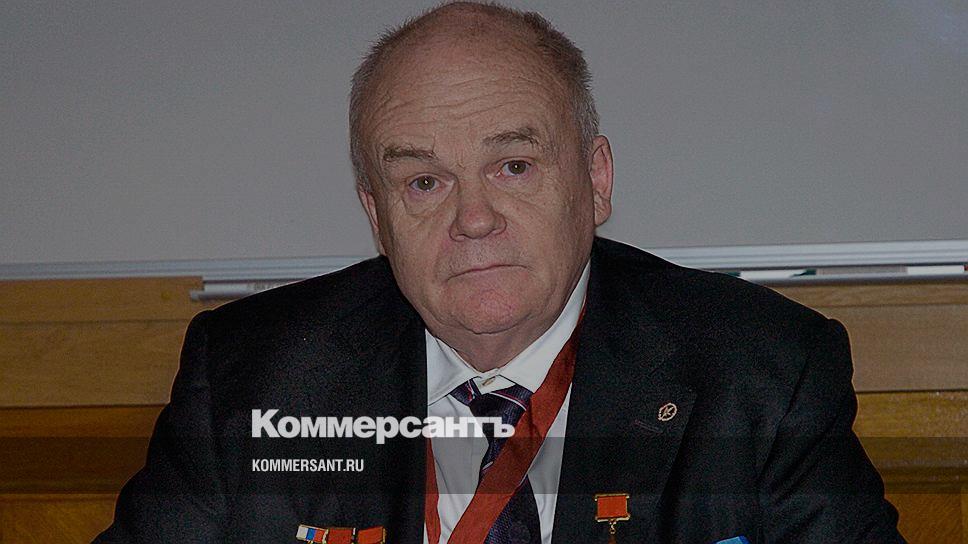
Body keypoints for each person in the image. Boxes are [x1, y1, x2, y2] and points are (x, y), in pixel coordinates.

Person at [96, 2, 905, 543]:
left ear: (595, 180)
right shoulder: (254, 377)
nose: (473, 218)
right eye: (423, 182)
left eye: (514, 166)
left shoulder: (761, 372)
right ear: (377, 215)